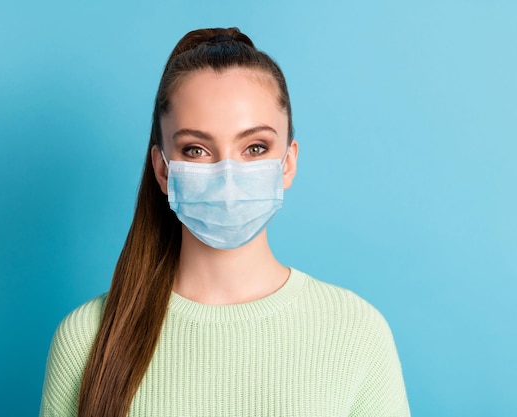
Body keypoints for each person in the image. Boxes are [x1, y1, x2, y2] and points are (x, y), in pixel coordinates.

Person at [39, 27, 410, 417]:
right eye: (196, 150)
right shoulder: (87, 338)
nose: (228, 175)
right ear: (162, 170)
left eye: (255, 147)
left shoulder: (356, 332)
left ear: (288, 162)